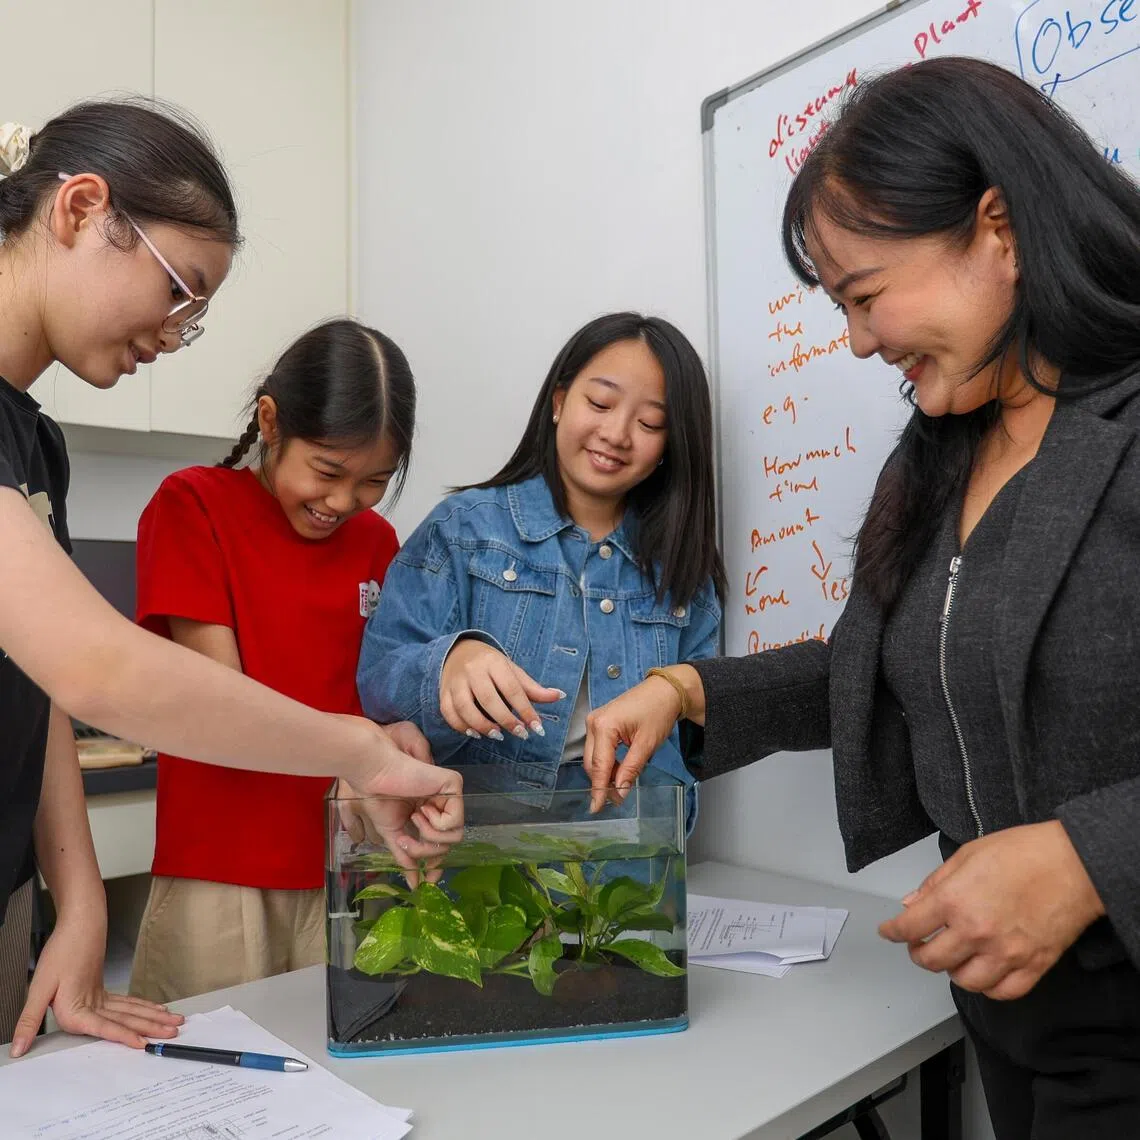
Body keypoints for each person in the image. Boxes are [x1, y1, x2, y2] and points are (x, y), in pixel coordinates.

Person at [582, 58, 1140, 1138]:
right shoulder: (938, 454)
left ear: (1000, 229)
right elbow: (874, 663)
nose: (858, 340)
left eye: (866, 294)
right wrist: (686, 689)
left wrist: (1086, 858)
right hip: (1007, 1011)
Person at [0, 102, 459, 1060]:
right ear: (82, 209)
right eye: (178, 291)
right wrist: (363, 755)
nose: (173, 335)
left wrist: (77, 900)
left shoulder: (36, 442)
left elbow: (39, 682)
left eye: (195, 318)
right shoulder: (190, 503)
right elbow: (97, 668)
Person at [129, 318, 433, 1002]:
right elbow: (218, 704)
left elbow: (379, 696)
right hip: (222, 868)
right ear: (270, 422)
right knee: (204, 1088)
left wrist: (401, 735)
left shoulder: (378, 540)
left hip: (350, 860)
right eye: (327, 471)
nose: (341, 501)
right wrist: (360, 746)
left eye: (373, 480)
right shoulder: (193, 507)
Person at [357, 312, 724, 824]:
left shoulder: (683, 569)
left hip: (630, 855)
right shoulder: (464, 531)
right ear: (558, 403)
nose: (617, 433)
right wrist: (449, 661)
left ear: (671, 444)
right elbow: (377, 679)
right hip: (480, 853)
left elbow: (698, 725)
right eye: (599, 403)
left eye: (649, 423)